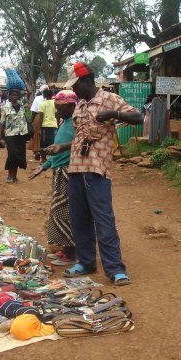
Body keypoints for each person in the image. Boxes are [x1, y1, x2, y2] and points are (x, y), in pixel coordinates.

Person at [64, 62, 142, 286]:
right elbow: (80, 136)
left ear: (87, 81)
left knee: (103, 220)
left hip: (97, 170)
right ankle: (86, 261)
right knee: (79, 220)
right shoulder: (79, 104)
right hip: (76, 167)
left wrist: (114, 114)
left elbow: (137, 118)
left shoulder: (109, 99)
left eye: (76, 85)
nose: (74, 90)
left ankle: (116, 269)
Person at [29, 90, 78, 266]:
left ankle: (72, 252)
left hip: (68, 173)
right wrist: (44, 166)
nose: (57, 111)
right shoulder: (64, 122)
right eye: (56, 107)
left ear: (72, 106)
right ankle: (65, 248)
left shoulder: (76, 123)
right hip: (59, 171)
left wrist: (57, 152)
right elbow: (58, 151)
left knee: (66, 213)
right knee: (58, 212)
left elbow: (76, 145)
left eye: (60, 107)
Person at [0, 89, 29, 183]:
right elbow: (2, 123)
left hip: (21, 134)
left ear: (18, 96)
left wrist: (24, 84)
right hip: (10, 135)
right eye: (12, 95)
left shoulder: (22, 105)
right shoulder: (5, 107)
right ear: (9, 96)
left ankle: (15, 176)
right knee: (12, 155)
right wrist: (0, 137)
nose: (14, 96)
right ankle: (9, 175)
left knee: (18, 155)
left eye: (16, 95)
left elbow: (30, 93)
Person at [38, 88, 58, 163]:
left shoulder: (42, 104)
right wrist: (57, 123)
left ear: (44, 95)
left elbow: (41, 116)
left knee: (43, 143)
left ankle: (43, 159)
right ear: (52, 95)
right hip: (53, 125)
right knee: (53, 143)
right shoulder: (55, 103)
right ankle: (52, 160)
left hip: (44, 126)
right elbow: (57, 114)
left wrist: (39, 128)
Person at [28, 85, 47, 160]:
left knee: (36, 134)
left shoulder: (38, 98)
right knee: (45, 134)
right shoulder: (50, 99)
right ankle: (44, 151)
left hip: (38, 117)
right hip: (47, 117)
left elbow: (34, 111)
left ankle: (37, 151)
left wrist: (31, 121)